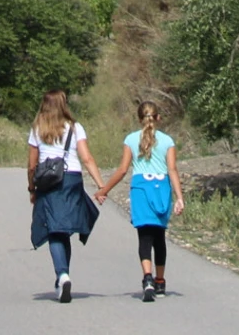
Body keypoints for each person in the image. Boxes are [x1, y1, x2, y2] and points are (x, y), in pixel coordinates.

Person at [98, 99, 182, 300]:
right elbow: (172, 169)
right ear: (158, 118)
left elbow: (122, 170)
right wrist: (179, 197)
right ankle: (160, 281)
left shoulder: (131, 139)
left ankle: (147, 278)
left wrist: (104, 190)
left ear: (139, 119)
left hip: (141, 189)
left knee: (145, 236)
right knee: (159, 236)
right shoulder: (167, 141)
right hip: (161, 188)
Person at [26, 88, 102, 302]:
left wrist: (32, 189)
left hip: (49, 182)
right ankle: (63, 275)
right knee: (64, 229)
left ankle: (62, 275)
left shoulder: (38, 128)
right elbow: (87, 158)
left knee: (54, 229)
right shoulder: (75, 128)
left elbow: (32, 165)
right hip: (72, 179)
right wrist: (100, 185)